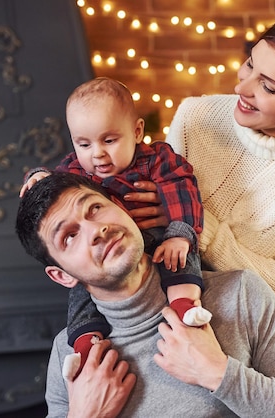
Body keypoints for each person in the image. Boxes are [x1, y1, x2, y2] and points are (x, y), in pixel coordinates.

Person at [15, 172, 275, 417]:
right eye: (70, 236)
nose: (96, 230)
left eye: (95, 209)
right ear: (61, 275)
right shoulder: (70, 355)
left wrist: (218, 373)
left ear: (120, 207)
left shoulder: (238, 294)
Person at [125, 16, 275, 335]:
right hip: (162, 322)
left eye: (267, 86)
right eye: (250, 64)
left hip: (255, 339)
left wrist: (198, 224)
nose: (241, 87)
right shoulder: (196, 117)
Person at [20, 77, 211, 380]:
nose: (97, 154)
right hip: (108, 265)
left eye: (109, 141)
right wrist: (38, 176)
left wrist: (180, 230)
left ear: (137, 131)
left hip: (158, 237)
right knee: (83, 292)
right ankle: (85, 344)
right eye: (84, 144)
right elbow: (52, 183)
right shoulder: (76, 170)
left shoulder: (155, 160)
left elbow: (182, 187)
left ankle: (185, 302)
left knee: (180, 253)